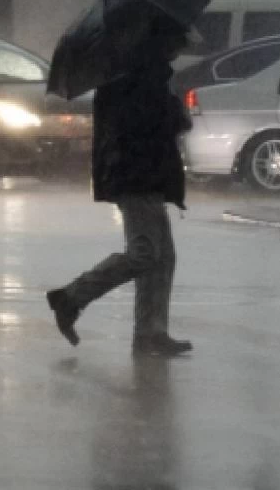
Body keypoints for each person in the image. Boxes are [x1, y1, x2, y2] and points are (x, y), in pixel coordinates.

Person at [46, 22, 194, 357]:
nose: (178, 50)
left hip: (145, 175)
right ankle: (71, 297)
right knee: (145, 253)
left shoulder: (141, 75)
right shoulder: (136, 80)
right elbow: (145, 128)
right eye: (176, 43)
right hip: (136, 176)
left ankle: (151, 332)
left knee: (163, 257)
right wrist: (175, 114)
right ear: (160, 43)